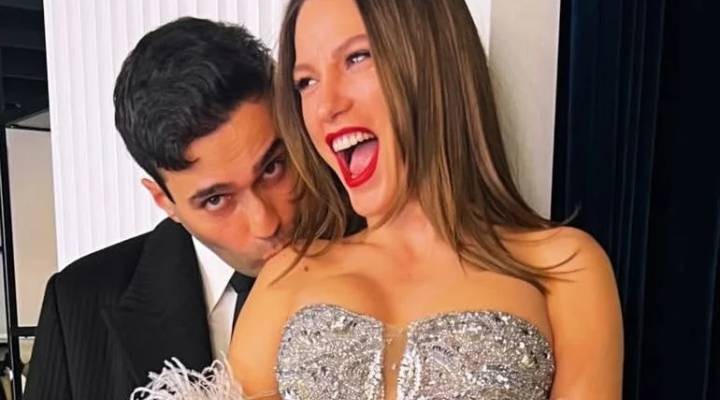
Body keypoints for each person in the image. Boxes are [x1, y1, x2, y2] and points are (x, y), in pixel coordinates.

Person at [136, 1, 623, 399]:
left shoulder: (563, 268)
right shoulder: (288, 274)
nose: (327, 106)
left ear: (433, 60)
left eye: (356, 58)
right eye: (306, 82)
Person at [25, 17, 295, 400]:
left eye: (273, 168)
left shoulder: (377, 251)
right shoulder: (78, 303)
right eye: (216, 200)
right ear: (164, 201)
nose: (265, 222)